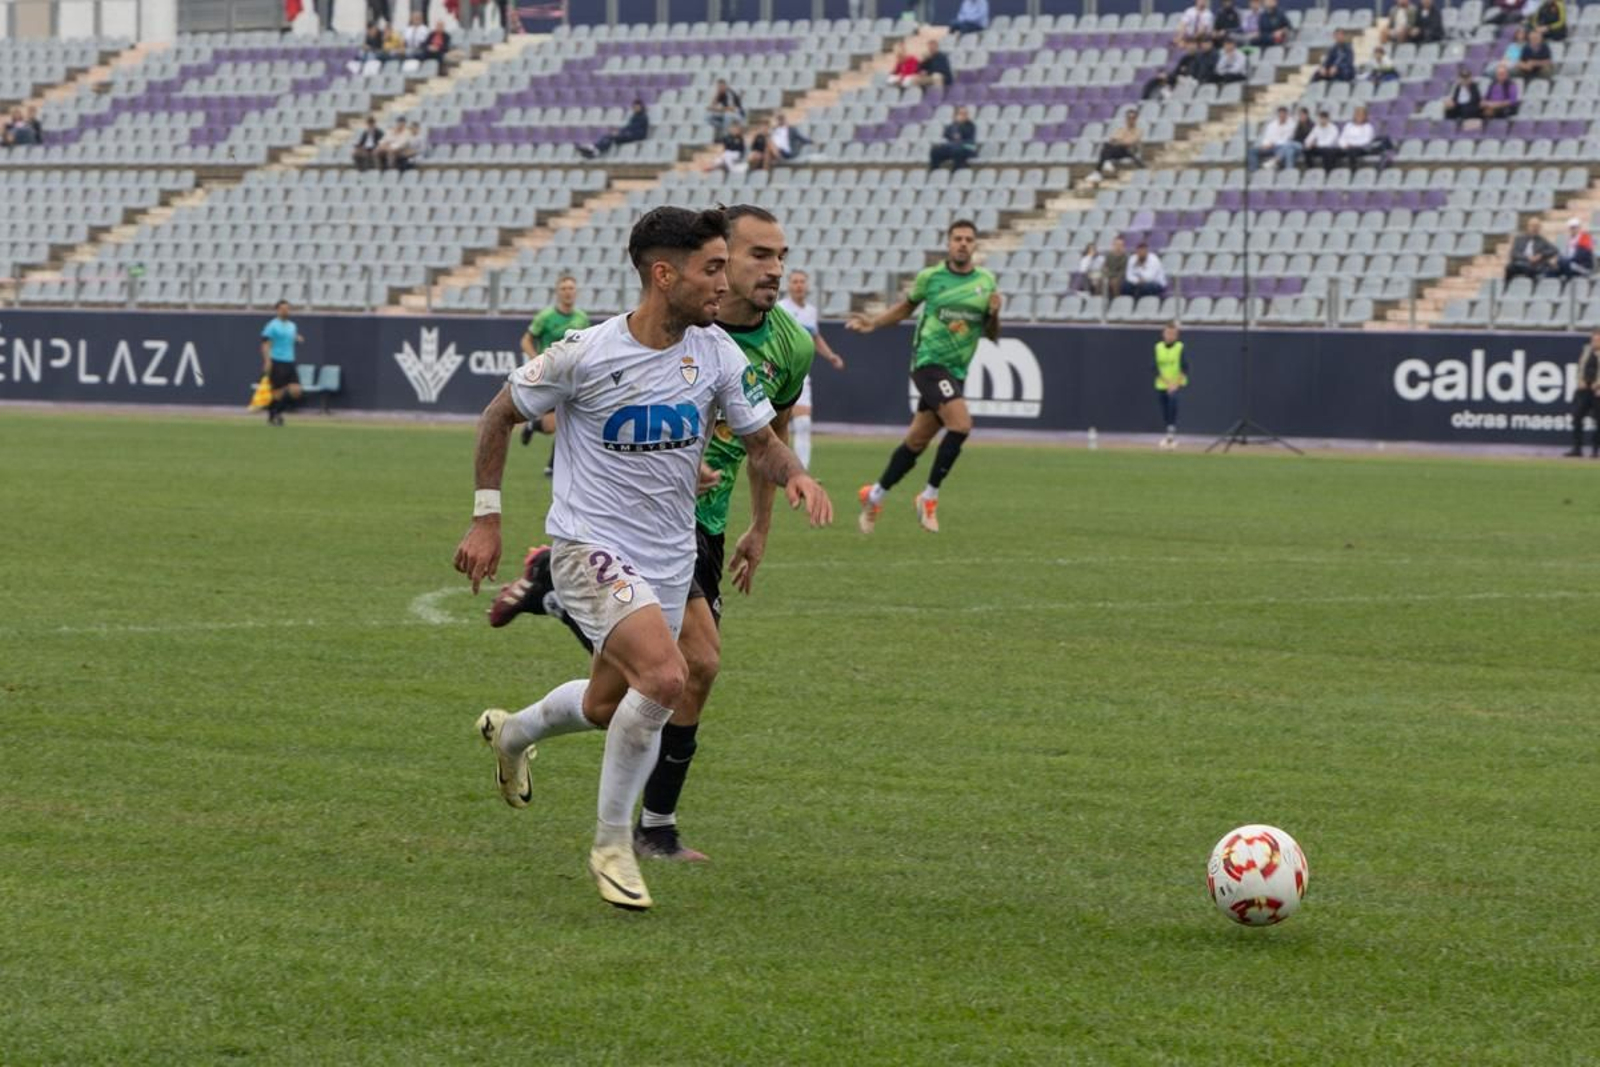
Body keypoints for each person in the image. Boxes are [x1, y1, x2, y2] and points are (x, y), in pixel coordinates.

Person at [454, 206, 830, 911]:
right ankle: (613, 844)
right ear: (665, 274)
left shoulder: (715, 352)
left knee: (606, 704)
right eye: (712, 268)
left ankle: (513, 733)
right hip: (587, 546)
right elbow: (498, 414)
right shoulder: (583, 352)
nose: (724, 283)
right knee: (666, 675)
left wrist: (795, 474)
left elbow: (761, 440)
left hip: (668, 553)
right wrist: (486, 520)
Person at [847, 219, 1001, 534]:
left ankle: (874, 496)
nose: (962, 243)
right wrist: (873, 323)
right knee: (961, 425)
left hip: (957, 371)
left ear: (975, 245)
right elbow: (905, 309)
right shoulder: (931, 278)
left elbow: (992, 334)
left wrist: (995, 313)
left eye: (968, 239)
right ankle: (929, 497)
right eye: (957, 238)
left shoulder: (986, 282)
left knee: (917, 441)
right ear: (948, 243)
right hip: (929, 363)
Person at [778, 268, 847, 469]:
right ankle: (775, 467)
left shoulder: (810, 312)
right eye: (795, 281)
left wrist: (831, 356)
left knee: (803, 424)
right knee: (776, 426)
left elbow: (815, 338)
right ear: (788, 285)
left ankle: (802, 472)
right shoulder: (780, 309)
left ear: (807, 286)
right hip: (779, 374)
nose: (798, 285)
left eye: (802, 281)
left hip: (800, 375)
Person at [519, 276, 591, 466]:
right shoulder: (545, 317)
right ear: (557, 292)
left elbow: (587, 347)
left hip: (574, 376)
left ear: (576, 292)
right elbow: (526, 340)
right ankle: (533, 425)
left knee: (572, 421)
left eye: (571, 288)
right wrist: (536, 359)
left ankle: (553, 464)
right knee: (554, 424)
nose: (568, 292)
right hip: (551, 375)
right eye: (564, 288)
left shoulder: (582, 318)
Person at [259, 299, 304, 426]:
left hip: (290, 361)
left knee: (296, 391)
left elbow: (291, 336)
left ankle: (275, 412)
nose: (286, 311)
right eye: (283, 308)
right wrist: (267, 361)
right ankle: (274, 415)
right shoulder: (272, 325)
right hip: (277, 361)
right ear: (278, 310)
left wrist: (297, 338)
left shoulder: (292, 325)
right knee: (278, 393)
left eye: (287, 308)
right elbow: (265, 344)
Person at [1153, 322, 1189, 451]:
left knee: (1173, 403)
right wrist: (1167, 383)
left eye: (1173, 334)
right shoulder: (1158, 347)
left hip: (1176, 385)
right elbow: (1155, 368)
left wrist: (1175, 384)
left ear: (1177, 335)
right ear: (1163, 334)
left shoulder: (1180, 347)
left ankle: (1171, 431)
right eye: (1168, 333)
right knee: (1164, 409)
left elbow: (1185, 368)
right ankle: (1168, 434)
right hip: (1162, 384)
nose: (1170, 336)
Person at [1565, 331, 1600, 457]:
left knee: (1598, 421)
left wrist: (1598, 384)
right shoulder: (1587, 352)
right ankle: (1577, 448)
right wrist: (1580, 380)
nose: (1595, 343)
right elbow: (1580, 367)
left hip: (1597, 393)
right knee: (1577, 417)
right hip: (1585, 390)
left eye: (1597, 340)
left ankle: (1595, 450)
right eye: (1593, 340)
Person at [578, 99, 649, 159]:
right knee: (608, 136)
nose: (635, 108)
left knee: (611, 136)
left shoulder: (643, 117)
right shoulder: (635, 116)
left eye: (636, 107)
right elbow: (629, 127)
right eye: (634, 107)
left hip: (637, 136)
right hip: (630, 135)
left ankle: (594, 150)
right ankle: (594, 149)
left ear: (640, 107)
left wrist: (622, 133)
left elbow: (635, 129)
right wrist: (620, 131)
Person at [1095, 108, 1143, 177]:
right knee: (1106, 146)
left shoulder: (1138, 131)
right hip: (1118, 150)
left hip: (1128, 151)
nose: (1130, 120)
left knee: (1107, 148)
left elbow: (1129, 142)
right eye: (1129, 118)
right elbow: (1112, 140)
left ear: (1136, 119)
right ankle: (1106, 163)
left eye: (1133, 118)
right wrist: (1120, 141)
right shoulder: (1121, 129)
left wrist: (1119, 141)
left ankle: (1100, 169)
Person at [928, 106, 979, 171]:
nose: (963, 116)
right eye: (960, 114)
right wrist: (955, 126)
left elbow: (966, 134)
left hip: (967, 147)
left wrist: (959, 125)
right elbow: (946, 134)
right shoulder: (952, 125)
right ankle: (935, 170)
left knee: (957, 151)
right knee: (935, 151)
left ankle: (957, 170)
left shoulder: (970, 125)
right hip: (953, 147)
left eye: (964, 114)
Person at [1249, 105, 1300, 170]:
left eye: (1284, 114)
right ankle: (1254, 172)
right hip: (1270, 147)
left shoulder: (1291, 124)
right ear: (1278, 115)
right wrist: (1265, 145)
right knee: (1252, 151)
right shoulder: (1272, 125)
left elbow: (1287, 139)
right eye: (1280, 114)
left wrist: (1273, 144)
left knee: (1287, 149)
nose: (1282, 116)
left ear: (1286, 115)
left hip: (1281, 147)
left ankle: (1274, 162)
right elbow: (1267, 137)